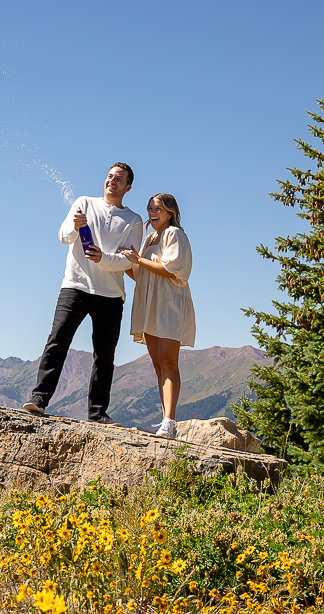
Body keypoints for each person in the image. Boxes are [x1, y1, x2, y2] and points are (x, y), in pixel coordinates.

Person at [23, 163, 144, 424]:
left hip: (111, 294)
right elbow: (63, 237)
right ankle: (38, 400)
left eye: (119, 179)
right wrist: (74, 227)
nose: (112, 181)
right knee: (57, 341)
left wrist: (103, 258)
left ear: (128, 187)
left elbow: (129, 261)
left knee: (105, 355)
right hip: (75, 286)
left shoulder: (134, 220)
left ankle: (97, 413)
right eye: (110, 176)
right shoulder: (83, 203)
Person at [121, 193, 195, 438]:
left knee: (168, 362)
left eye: (158, 209)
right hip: (151, 304)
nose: (152, 212)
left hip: (170, 303)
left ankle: (170, 422)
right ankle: (165, 422)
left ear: (170, 212)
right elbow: (140, 274)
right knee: (156, 364)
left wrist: (138, 260)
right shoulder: (151, 238)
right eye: (150, 208)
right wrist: (128, 260)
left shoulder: (175, 234)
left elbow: (172, 269)